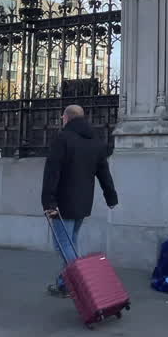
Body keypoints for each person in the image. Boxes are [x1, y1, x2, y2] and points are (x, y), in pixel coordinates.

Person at [41, 104, 117, 297]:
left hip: (63, 203)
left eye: (62, 118)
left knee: (63, 245)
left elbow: (52, 172)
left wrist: (48, 202)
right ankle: (64, 283)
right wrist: (111, 197)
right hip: (83, 202)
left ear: (67, 118)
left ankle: (82, 282)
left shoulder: (62, 139)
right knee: (71, 241)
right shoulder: (95, 142)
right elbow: (104, 173)